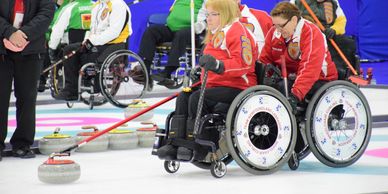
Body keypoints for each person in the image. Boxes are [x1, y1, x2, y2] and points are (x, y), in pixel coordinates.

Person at [157, 0, 258, 160]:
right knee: (184, 96)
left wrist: (218, 65)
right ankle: (177, 142)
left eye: (213, 14)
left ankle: (200, 145)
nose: (208, 19)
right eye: (208, 14)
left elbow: (244, 64)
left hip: (238, 86)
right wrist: (199, 70)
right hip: (215, 84)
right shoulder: (217, 32)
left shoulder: (238, 32)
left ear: (225, 14)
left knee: (198, 98)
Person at [259, 2, 338, 153]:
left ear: (294, 20)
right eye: (275, 25)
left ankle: (295, 145)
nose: (278, 30)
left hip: (320, 80)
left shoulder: (311, 32)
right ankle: (268, 140)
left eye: (281, 25)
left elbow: (310, 69)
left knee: (284, 91)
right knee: (268, 91)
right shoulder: (274, 33)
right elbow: (264, 61)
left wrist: (295, 95)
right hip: (290, 78)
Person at [0, 0, 55, 160]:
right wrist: (9, 32)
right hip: (1, 49)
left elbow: (46, 12)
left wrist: (23, 35)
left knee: (27, 98)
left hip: (31, 49)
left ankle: (22, 144)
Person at [55, 0, 131, 101]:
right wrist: (86, 40)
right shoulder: (97, 5)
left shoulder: (118, 4)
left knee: (91, 52)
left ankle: (93, 83)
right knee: (69, 50)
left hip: (115, 43)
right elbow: (92, 29)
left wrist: (93, 41)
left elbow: (114, 32)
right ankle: (71, 90)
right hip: (97, 42)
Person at [137, 0, 207, 87]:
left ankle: (169, 70)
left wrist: (196, 28)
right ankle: (145, 68)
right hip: (172, 29)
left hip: (193, 31)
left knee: (181, 34)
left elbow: (207, 18)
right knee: (151, 31)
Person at [39, 0, 93, 93]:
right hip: (90, 45)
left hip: (68, 44)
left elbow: (56, 31)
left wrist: (52, 47)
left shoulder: (69, 8)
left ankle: (41, 79)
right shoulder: (95, 6)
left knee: (49, 46)